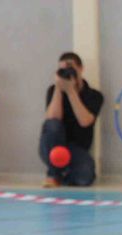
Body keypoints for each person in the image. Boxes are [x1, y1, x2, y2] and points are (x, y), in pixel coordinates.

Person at [39, 51, 103, 187]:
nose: (66, 72)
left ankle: (63, 175)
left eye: (70, 68)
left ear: (80, 69)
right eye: (62, 69)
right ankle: (54, 174)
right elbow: (52, 119)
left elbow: (85, 121)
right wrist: (58, 88)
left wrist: (71, 92)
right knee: (53, 125)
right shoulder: (53, 90)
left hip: (76, 149)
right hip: (52, 147)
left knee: (85, 178)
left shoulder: (94, 95)